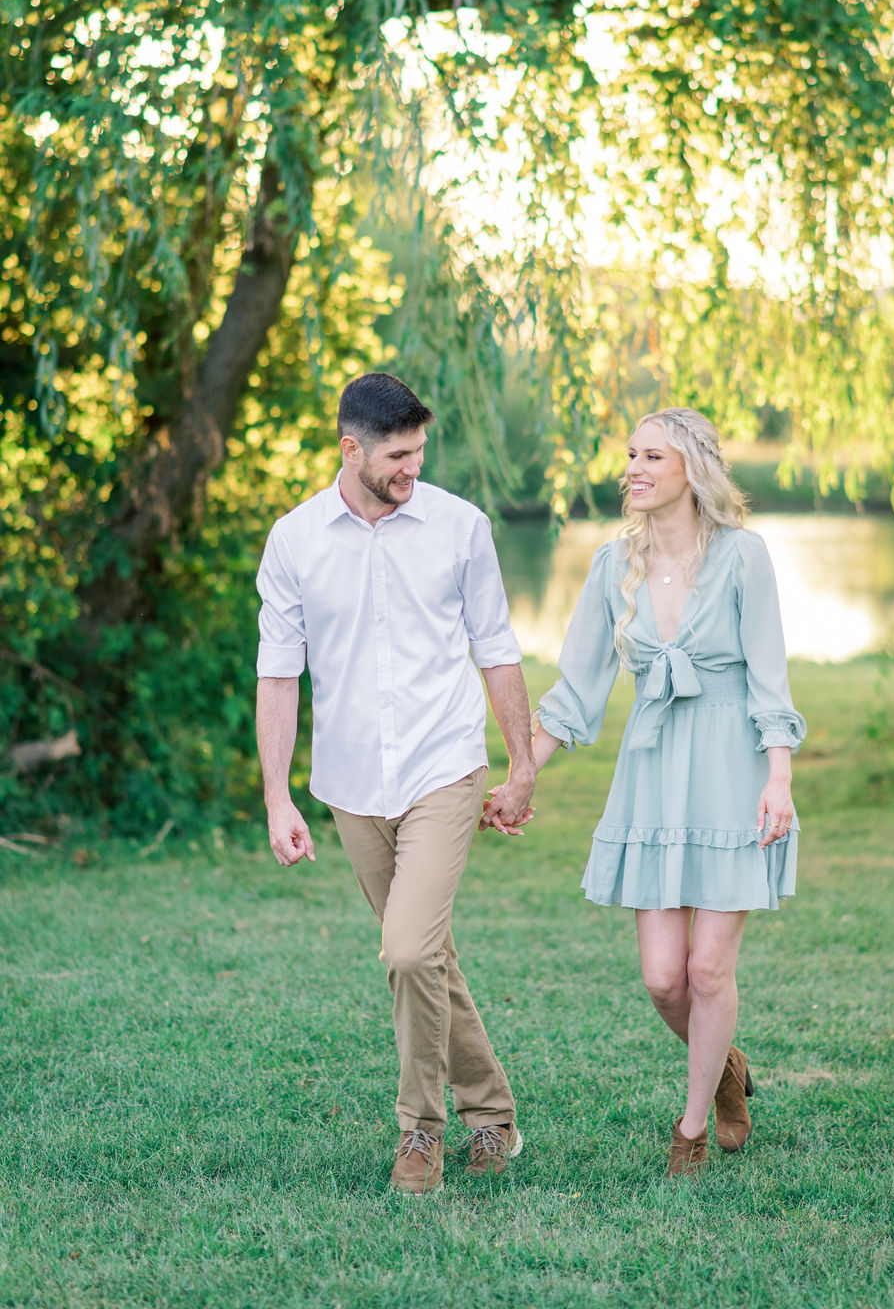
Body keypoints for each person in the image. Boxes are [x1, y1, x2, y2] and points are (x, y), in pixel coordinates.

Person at [491, 407, 804, 1178]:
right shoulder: (611, 567)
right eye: (630, 455)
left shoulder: (743, 557)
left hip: (732, 768)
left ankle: (692, 1129)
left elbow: (770, 677)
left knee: (707, 972)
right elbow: (577, 692)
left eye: (651, 456)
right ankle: (728, 1067)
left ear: (691, 469)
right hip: (654, 773)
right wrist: (523, 773)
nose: (631, 468)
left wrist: (779, 778)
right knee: (664, 978)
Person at [255, 372, 535, 1195]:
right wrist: (279, 796)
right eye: (398, 455)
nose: (414, 467)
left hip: (443, 765)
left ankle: (420, 1135)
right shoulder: (296, 539)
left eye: (420, 451)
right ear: (352, 450)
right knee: (427, 959)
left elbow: (497, 647)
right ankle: (495, 1117)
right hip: (349, 782)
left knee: (408, 949)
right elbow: (278, 676)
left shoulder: (460, 527)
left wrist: (521, 767)